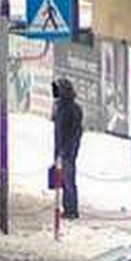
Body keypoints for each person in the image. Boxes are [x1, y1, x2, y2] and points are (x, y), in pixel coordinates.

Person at [52, 78, 83, 219]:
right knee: (64, 181)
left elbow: (75, 132)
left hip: (68, 151)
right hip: (61, 149)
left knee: (69, 180)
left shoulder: (72, 109)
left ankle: (72, 209)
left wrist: (67, 150)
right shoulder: (60, 107)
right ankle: (67, 208)